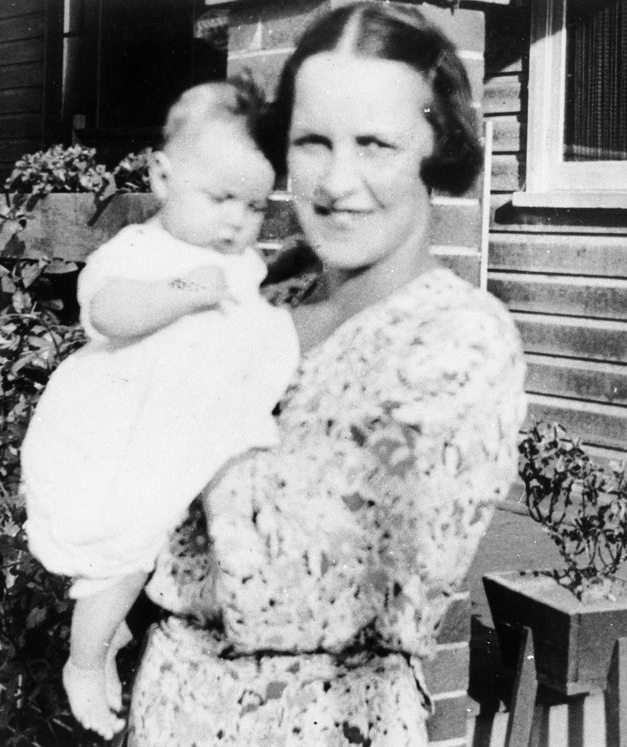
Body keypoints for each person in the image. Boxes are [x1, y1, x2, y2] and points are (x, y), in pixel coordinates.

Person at [124, 3, 527, 745]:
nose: (338, 181)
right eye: (313, 142)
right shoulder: (264, 296)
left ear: (434, 142)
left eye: (375, 142)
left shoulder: (461, 342)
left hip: (326, 719)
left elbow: (336, 577)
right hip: (174, 704)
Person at [19, 79, 299, 738]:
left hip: (180, 433)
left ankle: (118, 624)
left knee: (171, 537)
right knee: (122, 551)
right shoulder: (143, 251)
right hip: (114, 436)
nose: (237, 220)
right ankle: (84, 662)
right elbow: (110, 313)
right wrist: (183, 288)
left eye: (255, 205)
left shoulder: (236, 260)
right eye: (221, 197)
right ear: (163, 176)